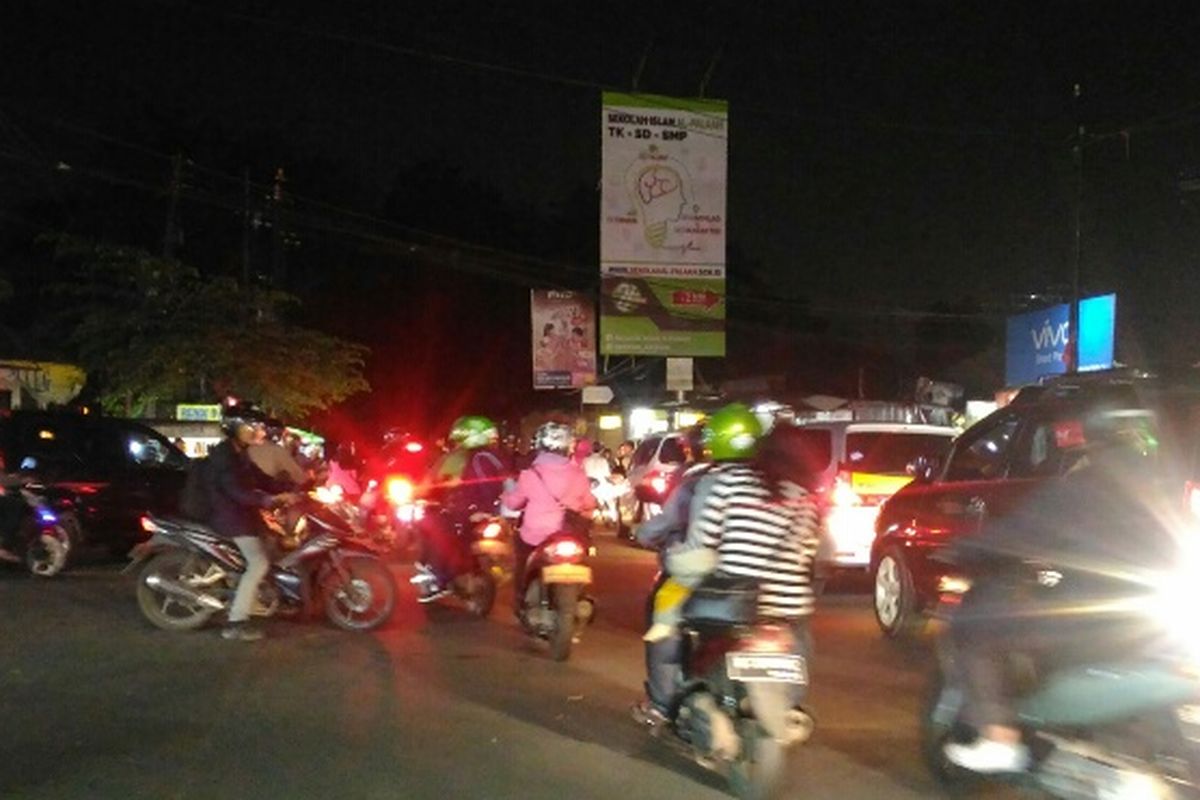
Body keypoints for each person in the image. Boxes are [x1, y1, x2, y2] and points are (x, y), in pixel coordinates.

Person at [942, 410, 1173, 773]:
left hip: (1088, 618)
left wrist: (968, 549)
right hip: (1158, 619)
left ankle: (999, 738)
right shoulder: (1169, 488)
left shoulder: (1081, 487)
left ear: (1093, 442)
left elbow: (1017, 535)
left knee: (975, 620)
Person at [635, 405, 822, 723]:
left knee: (666, 627)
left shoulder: (719, 482)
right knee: (800, 639)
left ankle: (662, 703)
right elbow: (814, 552)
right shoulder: (803, 495)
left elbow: (701, 546)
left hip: (729, 596)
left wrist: (674, 558)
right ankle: (788, 707)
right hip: (788, 605)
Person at [208, 410, 293, 642]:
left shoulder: (240, 453)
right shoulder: (224, 456)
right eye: (250, 426)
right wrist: (265, 500)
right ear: (234, 428)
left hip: (243, 514)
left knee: (273, 543)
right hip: (230, 518)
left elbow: (260, 479)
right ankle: (236, 623)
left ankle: (262, 597)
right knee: (258, 563)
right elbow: (235, 491)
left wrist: (290, 486)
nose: (257, 430)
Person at [501, 421, 596, 607]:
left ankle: (521, 598)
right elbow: (589, 503)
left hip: (535, 535)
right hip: (570, 533)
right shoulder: (578, 474)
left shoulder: (530, 474)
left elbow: (514, 503)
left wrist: (505, 496)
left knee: (521, 559)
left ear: (539, 445)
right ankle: (582, 597)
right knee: (584, 557)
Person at [414, 416, 509, 600]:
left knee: (432, 527)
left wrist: (420, 494)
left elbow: (431, 484)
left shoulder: (456, 457)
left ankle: (437, 580)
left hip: (464, 510)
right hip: (493, 511)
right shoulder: (496, 456)